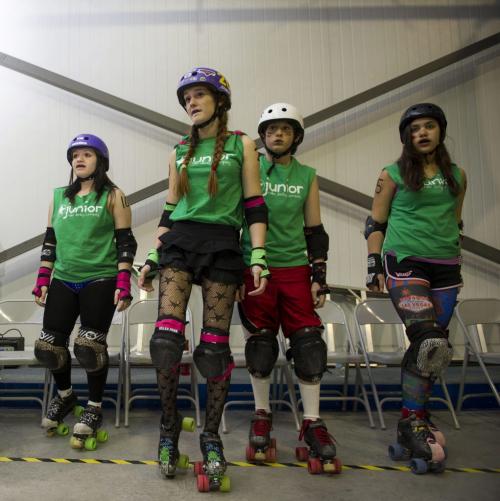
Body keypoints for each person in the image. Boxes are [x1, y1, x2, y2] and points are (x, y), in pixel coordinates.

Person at [138, 67, 268, 489]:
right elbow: (170, 207)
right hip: (180, 240)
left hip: (223, 242)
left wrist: (259, 256)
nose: (191, 103)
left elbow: (253, 204)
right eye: (186, 98)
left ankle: (211, 436)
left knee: (213, 350)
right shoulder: (178, 150)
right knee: (165, 342)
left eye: (198, 96)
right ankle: (169, 427)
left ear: (219, 101)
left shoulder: (242, 144)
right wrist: (153, 255)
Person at [364, 103, 466, 472]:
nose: (422, 133)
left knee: (433, 349)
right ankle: (413, 421)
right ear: (406, 137)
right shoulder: (392, 174)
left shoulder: (458, 175)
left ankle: (414, 417)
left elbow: (455, 222)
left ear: (440, 131)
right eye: (415, 129)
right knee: (428, 340)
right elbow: (374, 223)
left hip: (446, 267)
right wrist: (374, 265)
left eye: (429, 127)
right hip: (405, 261)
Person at [238, 103, 339, 474]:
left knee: (309, 344)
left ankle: (311, 421)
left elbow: (315, 228)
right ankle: (261, 414)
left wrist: (319, 275)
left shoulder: (307, 175)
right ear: (262, 137)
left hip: (295, 268)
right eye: (270, 130)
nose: (276, 135)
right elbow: (238, 220)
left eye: (284, 129)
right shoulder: (248, 170)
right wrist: (236, 273)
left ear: (296, 136)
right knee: (261, 345)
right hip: (256, 268)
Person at [33, 133, 136, 449]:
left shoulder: (113, 196)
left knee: (89, 347)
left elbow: (125, 243)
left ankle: (93, 407)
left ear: (100, 161)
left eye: (87, 154)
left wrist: (123, 282)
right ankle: (66, 397)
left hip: (100, 279)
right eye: (75, 155)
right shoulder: (59, 197)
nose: (79, 159)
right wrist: (42, 279)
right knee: (48, 347)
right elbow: (50, 243)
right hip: (64, 278)